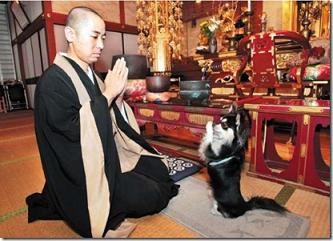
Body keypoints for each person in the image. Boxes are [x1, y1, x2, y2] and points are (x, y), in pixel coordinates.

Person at [26, 6, 179, 238]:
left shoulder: (92, 75)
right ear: (70, 35)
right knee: (154, 194)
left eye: (103, 38)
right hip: (83, 174)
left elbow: (113, 120)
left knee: (158, 171)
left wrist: (116, 99)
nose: (101, 45)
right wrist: (107, 96)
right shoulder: (52, 83)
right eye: (95, 36)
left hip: (108, 157)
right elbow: (72, 135)